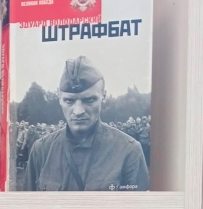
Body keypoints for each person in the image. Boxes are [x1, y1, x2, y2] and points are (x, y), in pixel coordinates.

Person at [25, 56, 150, 191]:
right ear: (59, 98)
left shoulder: (128, 152)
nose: (78, 111)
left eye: (89, 100)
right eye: (69, 101)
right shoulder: (41, 150)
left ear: (103, 96)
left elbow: (136, 205)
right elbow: (27, 203)